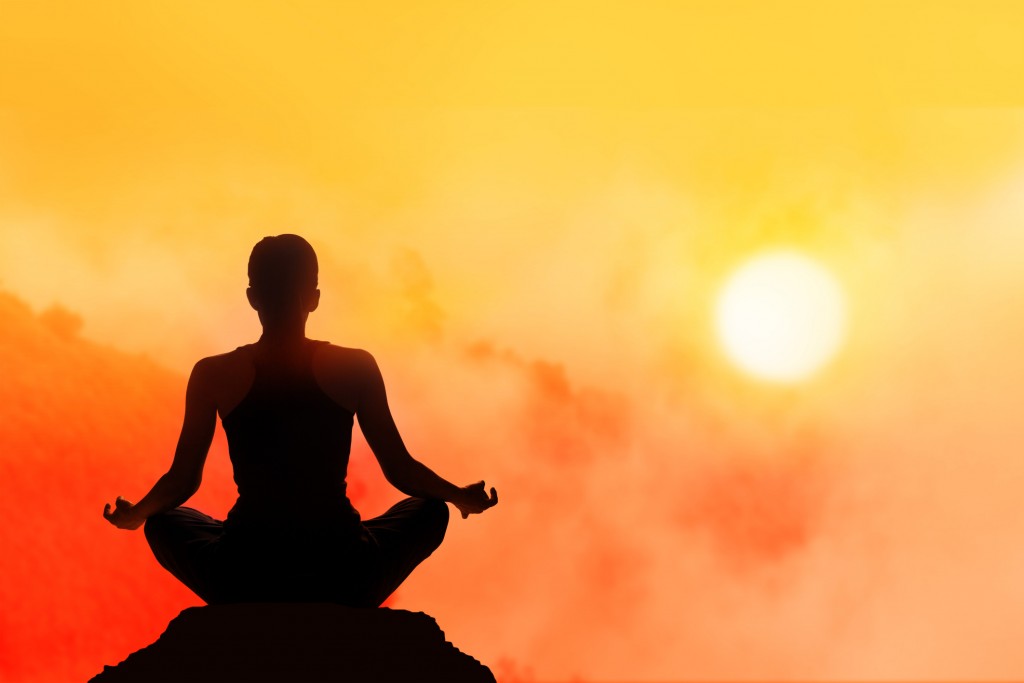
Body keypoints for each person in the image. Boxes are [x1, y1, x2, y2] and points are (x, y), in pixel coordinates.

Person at [103, 234, 498, 607]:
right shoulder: (355, 366)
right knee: (431, 511)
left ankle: (251, 591)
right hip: (343, 569)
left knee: (163, 522)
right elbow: (400, 469)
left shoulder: (213, 373)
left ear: (253, 298)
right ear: (313, 298)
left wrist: (137, 514)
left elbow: (183, 480)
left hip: (245, 570)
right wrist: (458, 496)